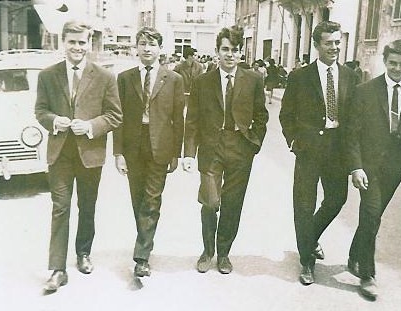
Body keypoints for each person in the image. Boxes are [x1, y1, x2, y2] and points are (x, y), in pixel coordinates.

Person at [35, 20, 122, 293]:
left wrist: (92, 126)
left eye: (82, 42)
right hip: (60, 154)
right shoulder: (48, 75)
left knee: (87, 205)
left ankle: (83, 253)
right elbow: (40, 111)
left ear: (90, 44)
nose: (77, 47)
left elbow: (115, 116)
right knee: (60, 208)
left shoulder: (105, 77)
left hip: (90, 154)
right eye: (72, 42)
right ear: (64, 42)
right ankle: (58, 269)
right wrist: (53, 121)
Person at [183, 25, 268, 274]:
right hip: (212, 148)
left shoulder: (253, 79)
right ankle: (207, 250)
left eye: (236, 50)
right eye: (226, 49)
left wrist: (254, 143)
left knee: (232, 203)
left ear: (242, 53)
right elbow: (193, 120)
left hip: (240, 148)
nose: (230, 54)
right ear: (218, 51)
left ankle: (223, 254)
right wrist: (189, 153)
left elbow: (261, 116)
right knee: (210, 201)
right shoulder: (203, 82)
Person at [279, 21, 358, 286]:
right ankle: (307, 262)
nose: (334, 47)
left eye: (337, 42)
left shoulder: (349, 76)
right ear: (317, 45)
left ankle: (308, 238)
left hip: (337, 151)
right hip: (309, 150)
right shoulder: (300, 77)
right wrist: (293, 142)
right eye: (329, 43)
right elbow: (286, 114)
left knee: (337, 198)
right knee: (303, 205)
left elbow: (354, 119)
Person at [346, 39, 401, 300]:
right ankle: (367, 275)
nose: (398, 69)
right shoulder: (366, 90)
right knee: (371, 214)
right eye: (393, 63)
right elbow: (352, 134)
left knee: (374, 215)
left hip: (395, 168)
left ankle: (354, 255)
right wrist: (356, 167)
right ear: (385, 61)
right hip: (368, 167)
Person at [113, 27, 184, 278]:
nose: (147, 49)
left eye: (152, 44)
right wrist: (118, 153)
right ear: (136, 47)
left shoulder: (173, 79)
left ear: (160, 49)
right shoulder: (124, 78)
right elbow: (118, 118)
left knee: (152, 200)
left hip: (160, 147)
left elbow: (178, 118)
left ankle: (141, 257)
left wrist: (176, 153)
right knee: (138, 199)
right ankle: (144, 241)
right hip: (133, 146)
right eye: (142, 43)